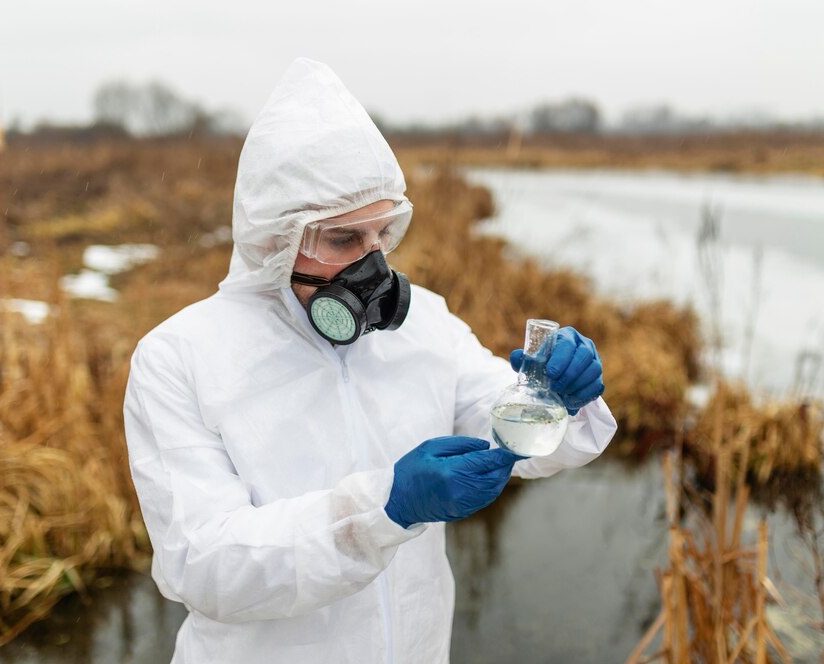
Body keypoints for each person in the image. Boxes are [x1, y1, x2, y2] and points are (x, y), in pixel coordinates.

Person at [123, 57, 617, 664]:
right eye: (342, 240)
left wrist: (557, 397)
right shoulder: (181, 359)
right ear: (275, 240)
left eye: (381, 234)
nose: (373, 265)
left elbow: (506, 427)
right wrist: (383, 509)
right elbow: (205, 564)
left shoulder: (424, 323)